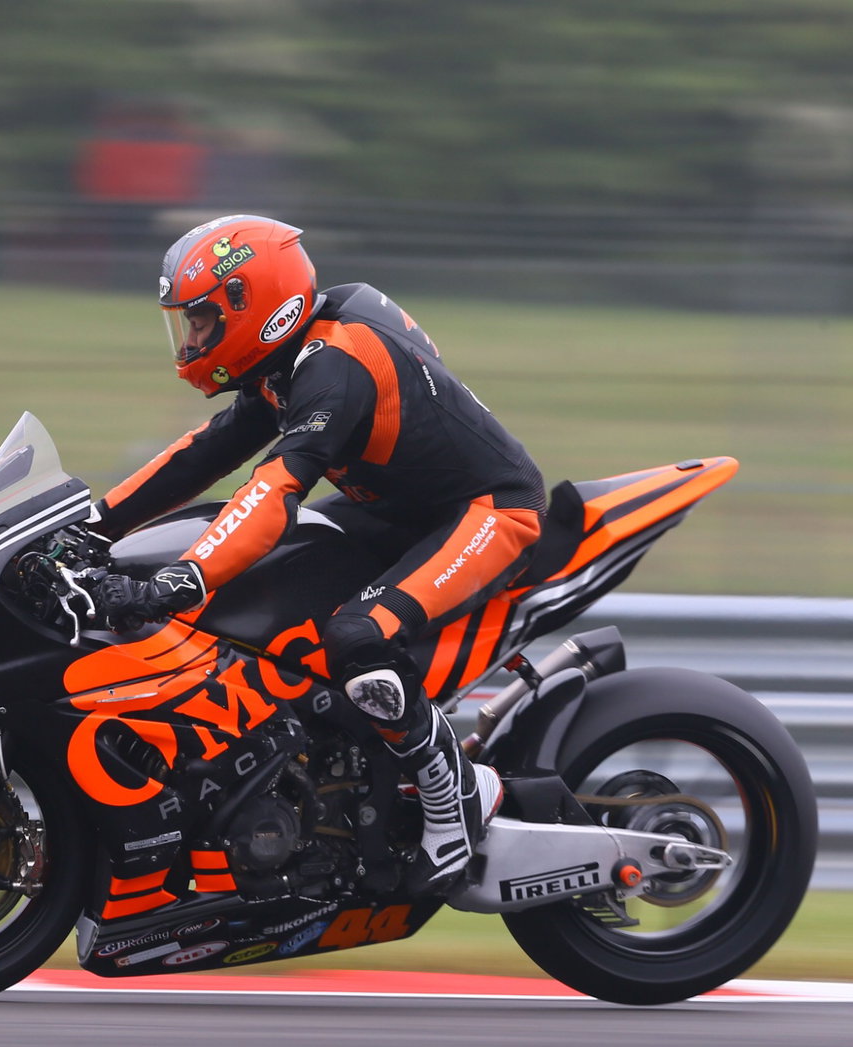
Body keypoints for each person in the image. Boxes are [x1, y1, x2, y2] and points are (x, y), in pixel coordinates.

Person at [93, 214, 547, 892]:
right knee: (271, 605)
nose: (191, 340)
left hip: (487, 511)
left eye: (202, 320)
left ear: (254, 306)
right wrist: (93, 525)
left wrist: (181, 581)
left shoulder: (336, 363)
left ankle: (455, 798)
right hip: (390, 513)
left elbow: (276, 488)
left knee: (356, 637)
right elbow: (199, 457)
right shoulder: (281, 368)